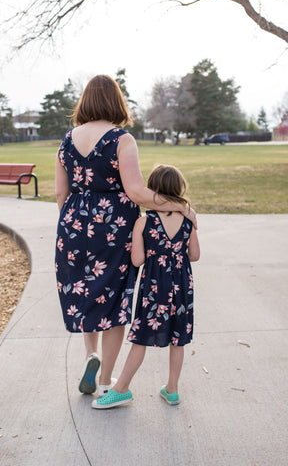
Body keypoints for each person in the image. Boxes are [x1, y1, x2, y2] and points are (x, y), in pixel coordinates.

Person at [55, 75, 197, 399]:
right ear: (116, 101)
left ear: (85, 101)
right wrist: (179, 205)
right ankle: (105, 379)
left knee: (84, 293)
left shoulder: (66, 141)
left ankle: (89, 355)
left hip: (73, 227)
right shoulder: (122, 139)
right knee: (114, 302)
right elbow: (135, 191)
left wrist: (74, 224)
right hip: (113, 228)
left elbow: (60, 194)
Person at [92, 164, 200, 409]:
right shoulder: (188, 219)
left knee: (141, 338)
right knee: (178, 339)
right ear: (178, 189)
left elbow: (137, 260)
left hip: (154, 287)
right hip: (182, 285)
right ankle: (172, 390)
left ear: (153, 190)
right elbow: (194, 255)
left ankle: (121, 389)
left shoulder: (144, 222)